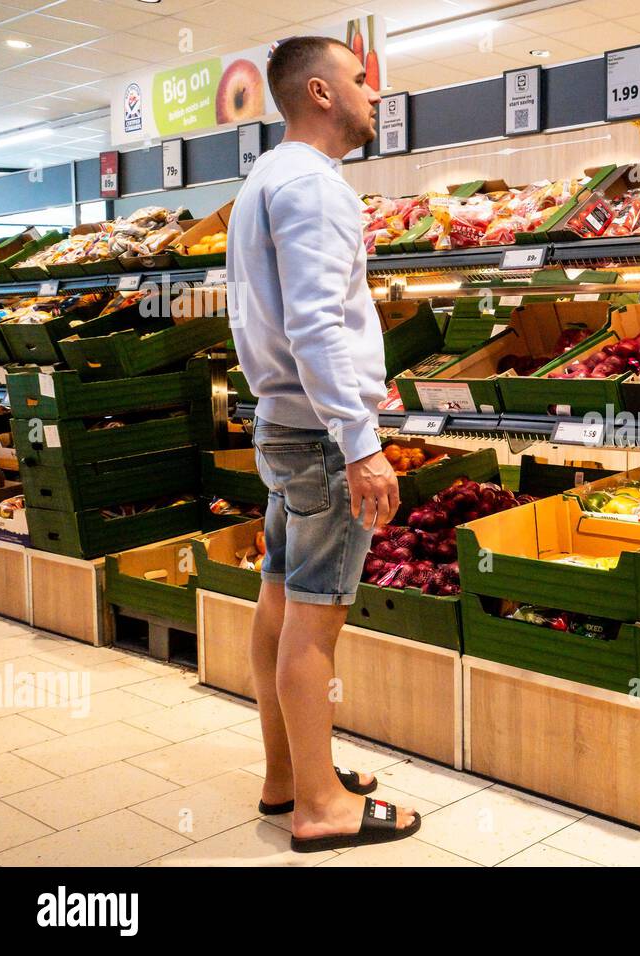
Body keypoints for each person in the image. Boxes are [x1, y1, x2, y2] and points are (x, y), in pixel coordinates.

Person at [227, 35, 420, 852]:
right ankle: (320, 806)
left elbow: (296, 320)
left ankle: (290, 776)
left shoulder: (266, 179)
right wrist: (359, 439)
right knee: (316, 621)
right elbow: (312, 323)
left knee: (278, 600)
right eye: (359, 80)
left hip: (283, 424)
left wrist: (356, 397)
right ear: (318, 91)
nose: (374, 95)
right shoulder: (314, 188)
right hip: (317, 438)